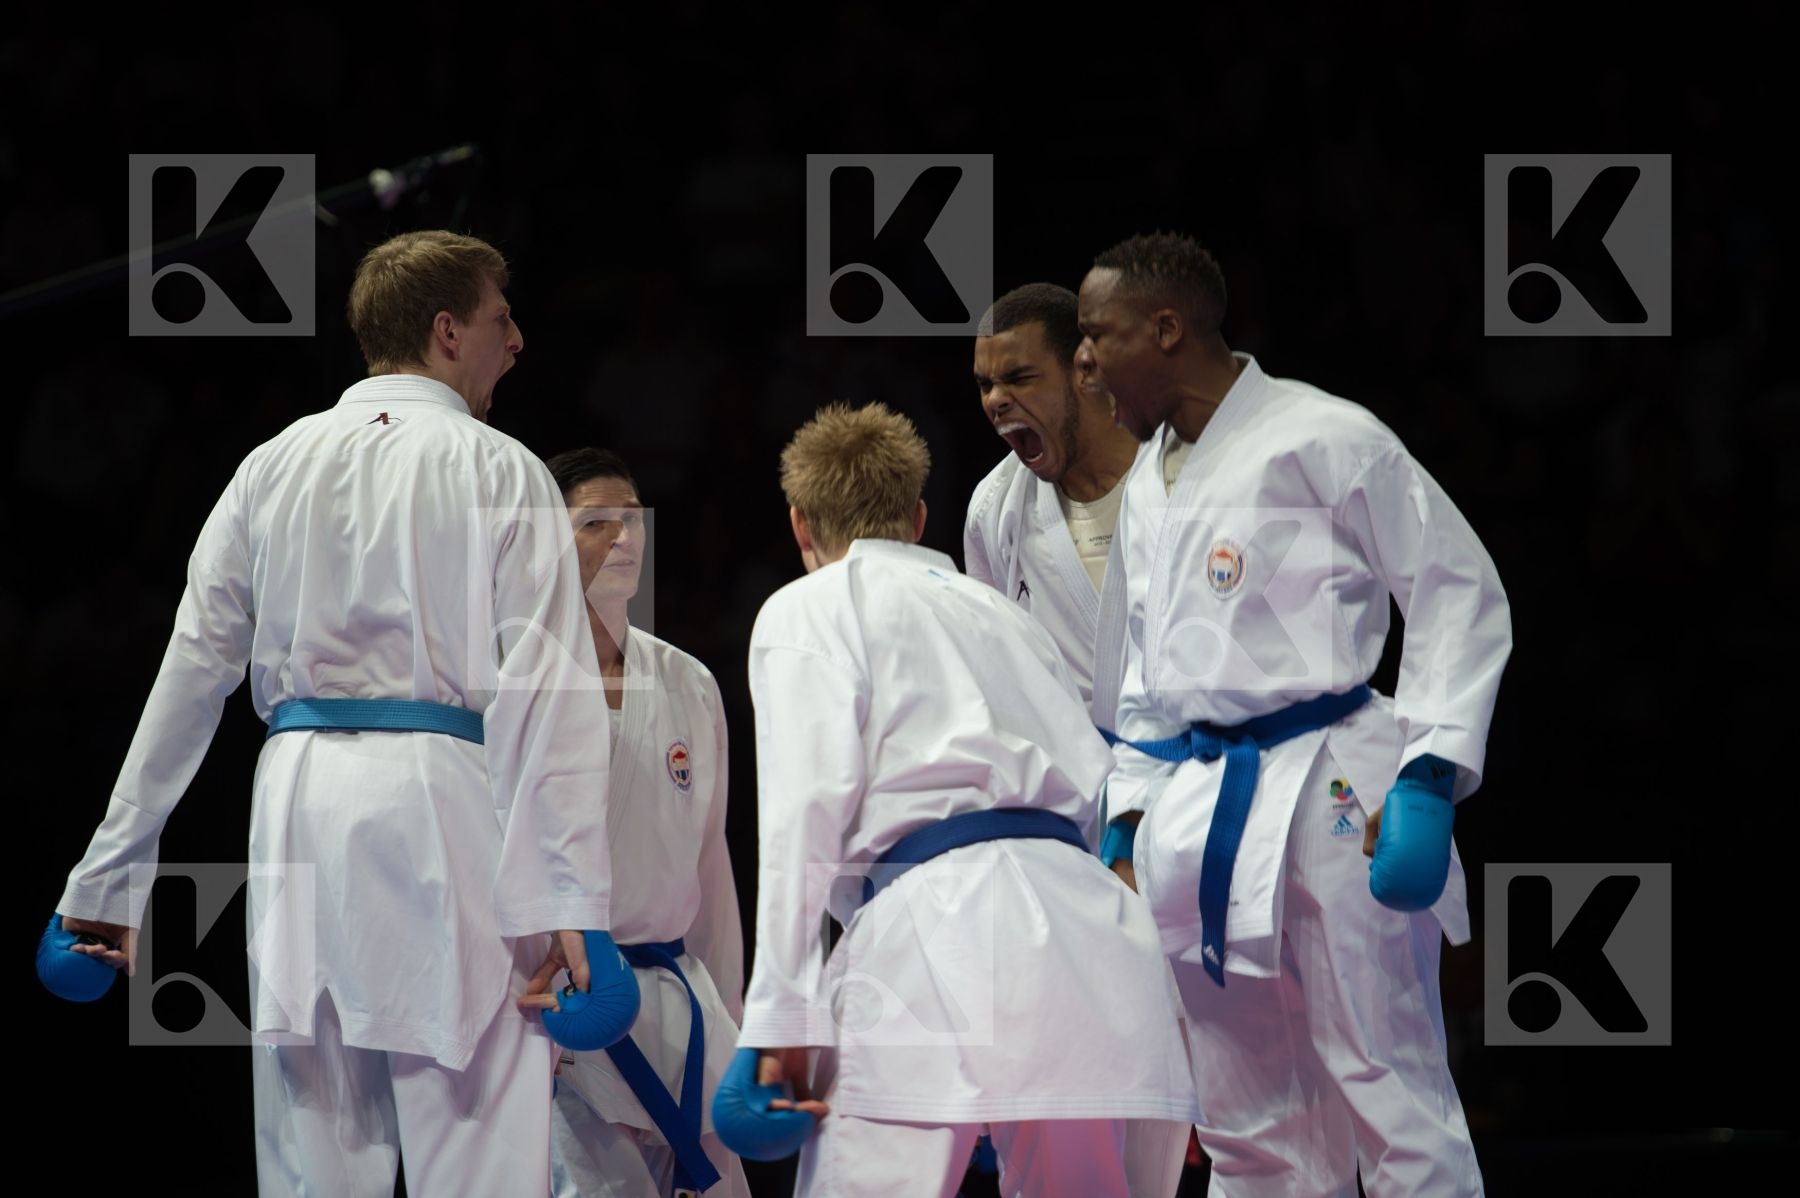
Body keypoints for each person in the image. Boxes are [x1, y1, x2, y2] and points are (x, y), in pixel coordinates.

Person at [41, 230, 637, 1197]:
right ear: (447, 331)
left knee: (313, 1151)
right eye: (501, 318)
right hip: (443, 805)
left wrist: (105, 878)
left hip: (295, 802)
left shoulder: (269, 465)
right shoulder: (501, 467)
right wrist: (574, 906)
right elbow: (547, 695)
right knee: (480, 1147)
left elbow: (192, 671)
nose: (518, 339)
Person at [1079, 231, 1510, 1197]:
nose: (1086, 360)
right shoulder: (1147, 479)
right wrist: (1126, 817)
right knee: (1245, 1122)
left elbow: (1455, 587)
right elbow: (1144, 671)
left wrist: (1429, 772)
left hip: (1333, 786)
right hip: (1195, 808)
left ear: (1166, 328)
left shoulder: (1326, 436)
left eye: (1099, 334)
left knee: (1392, 1094)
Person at [714, 402, 1199, 1197]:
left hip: (932, 928)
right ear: (918, 518)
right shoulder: (1009, 617)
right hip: (1091, 934)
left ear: (800, 525)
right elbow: (1102, 787)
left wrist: (779, 1017)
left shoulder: (811, 604)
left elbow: (804, 817)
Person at [962, 282, 1195, 1193]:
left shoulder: (1186, 480)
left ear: (1086, 371)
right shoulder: (995, 512)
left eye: (1019, 377)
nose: (995, 401)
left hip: (1195, 796)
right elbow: (1001, 692)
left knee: (1234, 1099)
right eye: (985, 384)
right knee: (1098, 1105)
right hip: (1075, 835)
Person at [526, 447, 751, 1197]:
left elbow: (710, 869)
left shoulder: (689, 680)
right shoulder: (515, 681)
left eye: (632, 519)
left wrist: (736, 1018)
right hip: (572, 1012)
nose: (623, 538)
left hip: (684, 1011)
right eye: (596, 522)